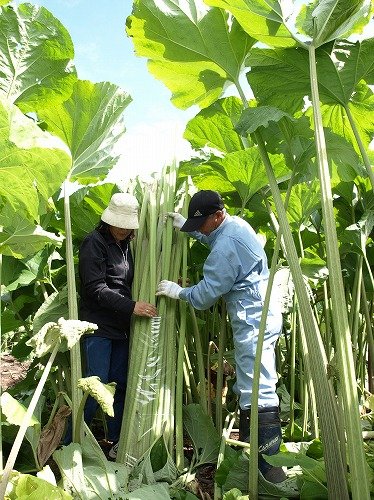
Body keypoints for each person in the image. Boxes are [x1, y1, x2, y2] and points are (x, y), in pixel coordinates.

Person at [156, 190, 286, 483]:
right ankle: (261, 462)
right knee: (255, 384)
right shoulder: (235, 225)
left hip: (252, 318)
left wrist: (180, 292)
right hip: (260, 309)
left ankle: (268, 470)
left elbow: (204, 296)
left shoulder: (226, 246)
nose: (200, 229)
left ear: (217, 215)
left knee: (257, 389)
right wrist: (190, 230)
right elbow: (215, 237)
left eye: (201, 224)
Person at [79, 193, 157, 459]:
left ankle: (115, 443)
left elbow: (127, 283)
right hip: (98, 326)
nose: (123, 228)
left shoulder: (125, 246)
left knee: (120, 384)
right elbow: (94, 288)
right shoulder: (95, 243)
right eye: (119, 223)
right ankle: (73, 441)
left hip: (121, 327)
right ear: (108, 220)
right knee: (95, 386)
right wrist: (131, 306)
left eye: (128, 224)